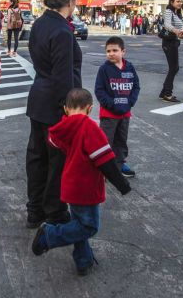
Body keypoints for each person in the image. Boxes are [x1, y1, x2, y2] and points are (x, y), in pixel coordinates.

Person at [31, 88, 131, 276]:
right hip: (86, 187)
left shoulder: (62, 127)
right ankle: (49, 235)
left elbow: (54, 141)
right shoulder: (89, 128)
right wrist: (122, 185)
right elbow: (105, 161)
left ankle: (83, 260)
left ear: (66, 109)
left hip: (70, 183)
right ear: (89, 108)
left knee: (78, 222)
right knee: (89, 226)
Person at [25, 0, 83, 229]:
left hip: (38, 99)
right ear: (70, 1)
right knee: (56, 161)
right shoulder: (61, 30)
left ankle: (34, 209)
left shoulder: (40, 24)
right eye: (76, 0)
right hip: (56, 106)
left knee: (37, 158)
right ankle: (54, 211)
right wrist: (70, 112)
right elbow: (63, 77)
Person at [95, 36, 140, 178]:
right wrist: (111, 104)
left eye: (115, 50)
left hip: (125, 114)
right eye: (108, 51)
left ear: (123, 51)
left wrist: (130, 102)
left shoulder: (130, 67)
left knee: (121, 141)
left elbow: (136, 86)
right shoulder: (104, 69)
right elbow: (99, 90)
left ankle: (119, 164)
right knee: (106, 142)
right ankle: (103, 169)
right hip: (109, 115)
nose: (111, 53)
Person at [159, 0, 183, 102]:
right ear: (171, 2)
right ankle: (167, 93)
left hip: (175, 42)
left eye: (181, 1)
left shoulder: (177, 13)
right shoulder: (168, 11)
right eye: (177, 1)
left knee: (174, 68)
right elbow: (166, 24)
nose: (180, 3)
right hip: (169, 42)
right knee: (174, 68)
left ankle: (164, 92)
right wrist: (176, 31)